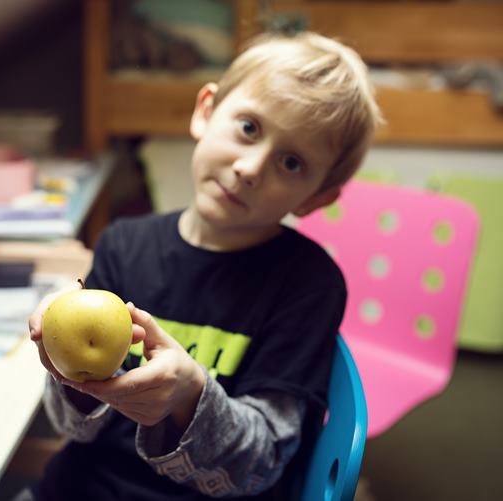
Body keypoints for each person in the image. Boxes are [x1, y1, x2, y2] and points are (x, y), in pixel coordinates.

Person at [21, 31, 382, 501]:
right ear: (206, 111)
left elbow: (263, 463)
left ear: (316, 198)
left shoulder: (310, 284)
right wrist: (63, 365)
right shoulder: (123, 244)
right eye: (249, 128)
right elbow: (73, 428)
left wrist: (190, 394)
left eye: (292, 163)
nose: (251, 168)